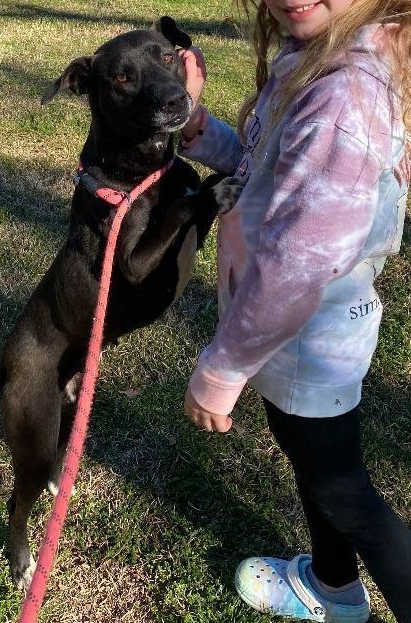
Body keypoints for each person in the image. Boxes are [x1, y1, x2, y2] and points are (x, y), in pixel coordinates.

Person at [178, 0, 411, 621]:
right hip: (290, 339)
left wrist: (222, 370)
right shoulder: (318, 53)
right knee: (314, 464)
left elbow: (295, 266)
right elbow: (264, 175)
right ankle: (335, 586)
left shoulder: (341, 96)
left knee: (345, 492)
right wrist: (199, 130)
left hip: (308, 340)